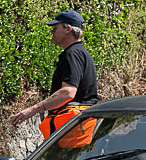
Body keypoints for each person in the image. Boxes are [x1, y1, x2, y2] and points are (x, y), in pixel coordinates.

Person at [10, 10, 98, 140]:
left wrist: (33, 109)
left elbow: (68, 92)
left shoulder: (72, 54)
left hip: (70, 131)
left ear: (68, 29)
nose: (52, 32)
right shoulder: (81, 53)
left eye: (55, 28)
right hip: (78, 129)